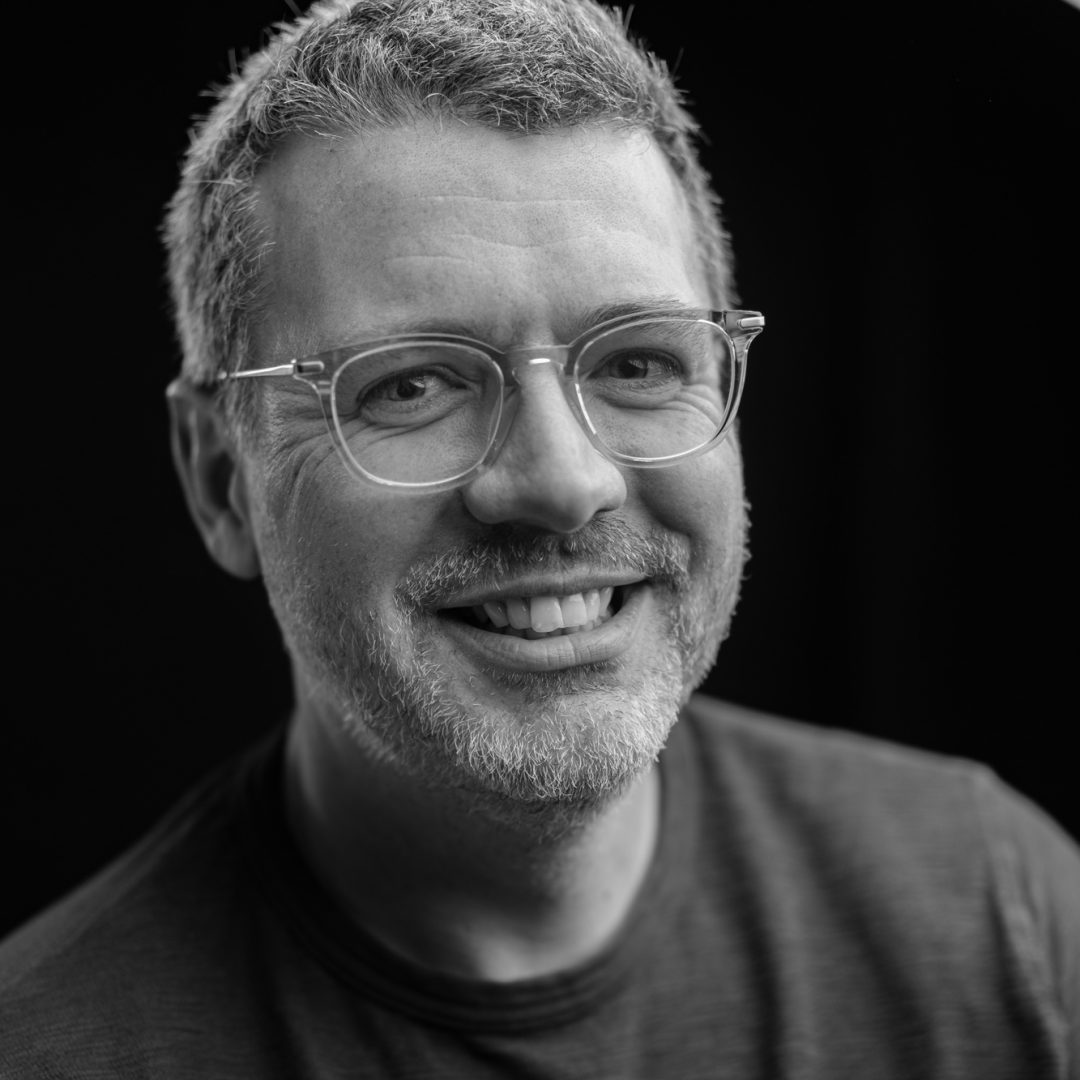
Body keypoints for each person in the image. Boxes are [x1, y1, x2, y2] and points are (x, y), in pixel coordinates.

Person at [2, 0, 1077, 1075]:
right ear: (220, 478)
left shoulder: (1002, 918)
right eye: (412, 385)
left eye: (638, 364)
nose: (563, 481)